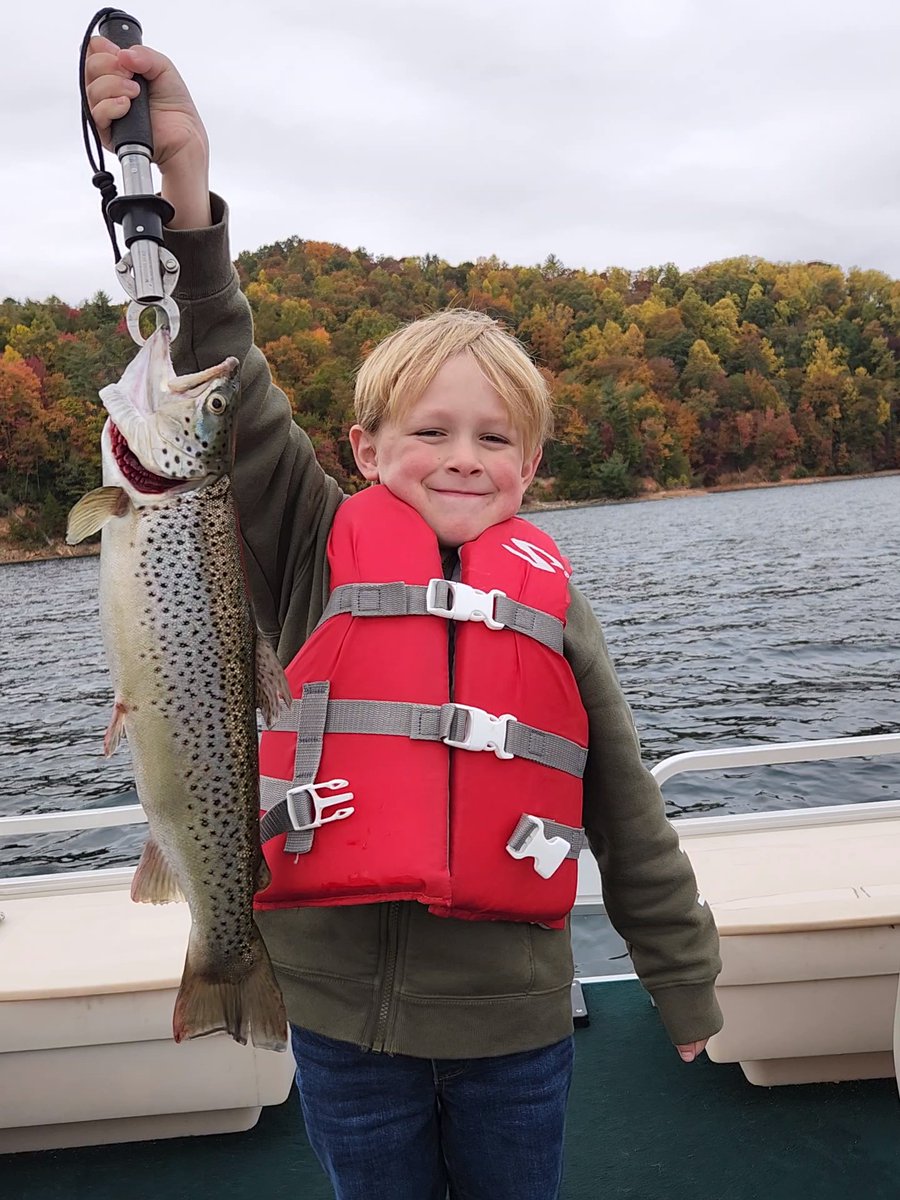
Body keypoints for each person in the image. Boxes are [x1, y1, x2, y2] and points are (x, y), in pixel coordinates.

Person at [85, 36, 723, 1200]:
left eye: (494, 439)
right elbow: (230, 374)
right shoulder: (311, 543)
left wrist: (680, 977)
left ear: (530, 465)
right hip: (340, 1028)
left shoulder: (554, 607)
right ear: (366, 451)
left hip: (515, 1030)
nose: (464, 457)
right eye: (430, 433)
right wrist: (183, 189)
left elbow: (629, 811)